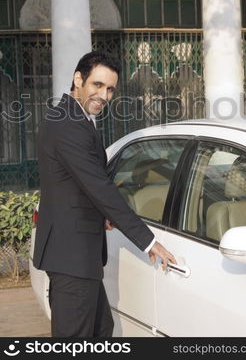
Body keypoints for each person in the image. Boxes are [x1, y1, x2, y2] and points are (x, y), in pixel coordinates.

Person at [33, 51, 176, 337]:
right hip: (70, 255)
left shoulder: (72, 117)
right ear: (78, 79)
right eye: (97, 85)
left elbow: (76, 183)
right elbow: (99, 186)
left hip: (75, 253)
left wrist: (102, 214)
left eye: (110, 89)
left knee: (100, 330)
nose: (104, 95)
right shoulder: (68, 124)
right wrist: (147, 241)